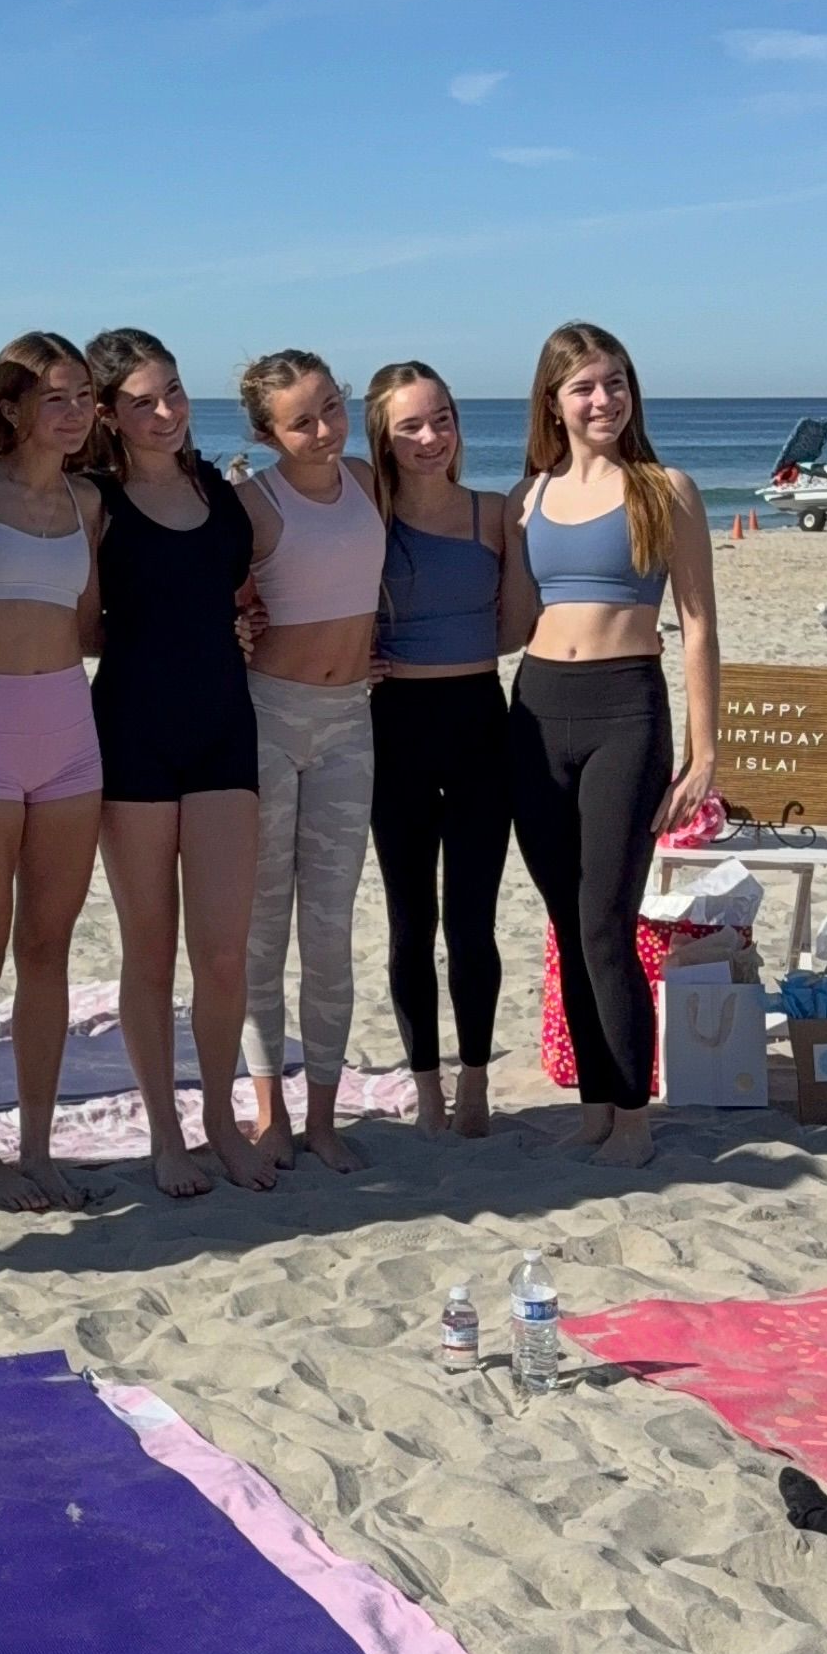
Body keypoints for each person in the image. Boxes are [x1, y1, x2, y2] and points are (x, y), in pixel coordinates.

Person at [501, 320, 720, 1167]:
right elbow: (512, 624)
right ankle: (595, 1103)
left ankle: (633, 1114)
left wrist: (706, 754)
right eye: (585, 387)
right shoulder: (529, 497)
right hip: (537, 709)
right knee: (567, 917)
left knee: (606, 923)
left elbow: (697, 625)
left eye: (616, 382)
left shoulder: (665, 488)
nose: (603, 399)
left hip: (627, 709)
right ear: (553, 403)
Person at [85, 327, 270, 1198]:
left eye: (173, 393)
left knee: (224, 953)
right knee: (149, 953)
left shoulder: (218, 490)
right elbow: (80, 623)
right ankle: (166, 1131)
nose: (164, 412)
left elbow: (246, 588)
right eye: (141, 402)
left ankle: (224, 1122)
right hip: (130, 732)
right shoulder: (95, 500)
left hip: (225, 729)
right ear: (107, 415)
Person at [0, 333, 105, 1210]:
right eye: (57, 397)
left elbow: (93, 626)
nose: (75, 413)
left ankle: (36, 1144)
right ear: (10, 405)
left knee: (48, 948)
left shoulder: (88, 502)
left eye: (84, 398)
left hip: (72, 732)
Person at [237, 349, 386, 1178]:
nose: (325, 429)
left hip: (350, 724)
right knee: (262, 933)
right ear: (267, 434)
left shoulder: (367, 481)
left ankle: (323, 1119)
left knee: (328, 933)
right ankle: (268, 1115)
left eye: (332, 406)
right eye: (302, 420)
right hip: (269, 719)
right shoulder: (252, 504)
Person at [362, 360, 512, 1138]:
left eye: (442, 419)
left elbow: (518, 623)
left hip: (482, 720)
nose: (430, 438)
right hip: (396, 723)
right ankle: (426, 1089)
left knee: (473, 922)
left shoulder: (494, 513)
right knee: (409, 919)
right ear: (383, 439)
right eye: (411, 426)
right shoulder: (368, 520)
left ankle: (477, 1083)